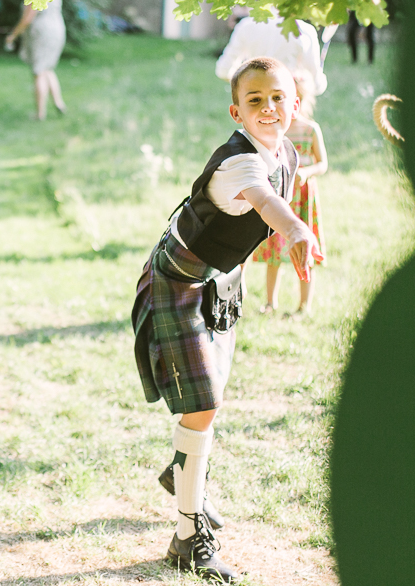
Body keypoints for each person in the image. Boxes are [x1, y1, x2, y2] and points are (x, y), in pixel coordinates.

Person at [131, 57, 322, 582]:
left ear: (296, 104)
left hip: (221, 280)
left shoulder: (284, 149)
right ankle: (189, 539)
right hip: (180, 281)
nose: (269, 108)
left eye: (278, 98)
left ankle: (182, 472)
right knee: (204, 406)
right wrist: (298, 231)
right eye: (255, 101)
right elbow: (265, 203)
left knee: (206, 408)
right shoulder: (241, 163)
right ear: (237, 111)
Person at [252, 74, 329, 314]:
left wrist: (307, 173)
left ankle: (303, 305)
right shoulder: (276, 132)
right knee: (276, 250)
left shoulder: (310, 129)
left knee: (304, 246)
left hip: (303, 198)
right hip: (281, 197)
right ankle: (270, 302)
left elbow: (323, 163)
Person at [214, 15, 327, 98]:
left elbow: (223, 70)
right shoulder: (304, 30)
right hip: (289, 103)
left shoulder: (246, 25)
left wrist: (249, 84)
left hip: (255, 103)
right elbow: (317, 85)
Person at [5, 0, 66, 120]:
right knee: (47, 68)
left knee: (38, 71)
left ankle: (40, 114)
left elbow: (27, 18)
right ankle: (59, 103)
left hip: (41, 33)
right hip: (57, 30)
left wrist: (13, 35)